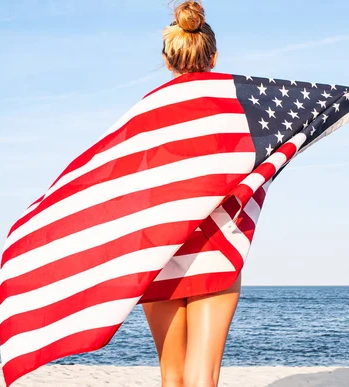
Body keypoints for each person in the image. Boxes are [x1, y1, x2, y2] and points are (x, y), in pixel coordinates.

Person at [140, 2, 240, 387]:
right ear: (213, 57)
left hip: (159, 247)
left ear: (167, 61)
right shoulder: (235, 109)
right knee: (203, 376)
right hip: (214, 243)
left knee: (173, 375)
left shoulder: (146, 112)